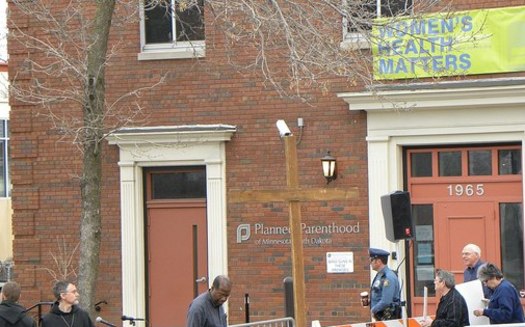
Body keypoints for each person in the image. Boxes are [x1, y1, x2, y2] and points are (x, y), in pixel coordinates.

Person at [368, 248, 401, 321]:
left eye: (371, 260)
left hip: (388, 317)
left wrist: (373, 310)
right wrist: (369, 301)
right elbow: (378, 294)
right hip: (381, 317)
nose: (370, 263)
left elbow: (386, 300)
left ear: (379, 261)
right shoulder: (380, 275)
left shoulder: (388, 277)